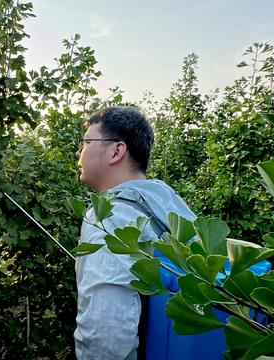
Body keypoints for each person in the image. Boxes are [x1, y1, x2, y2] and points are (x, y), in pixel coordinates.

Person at [74, 106, 196, 359]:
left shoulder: (111, 217)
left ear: (117, 150)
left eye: (86, 142)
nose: (80, 152)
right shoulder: (167, 203)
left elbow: (106, 336)